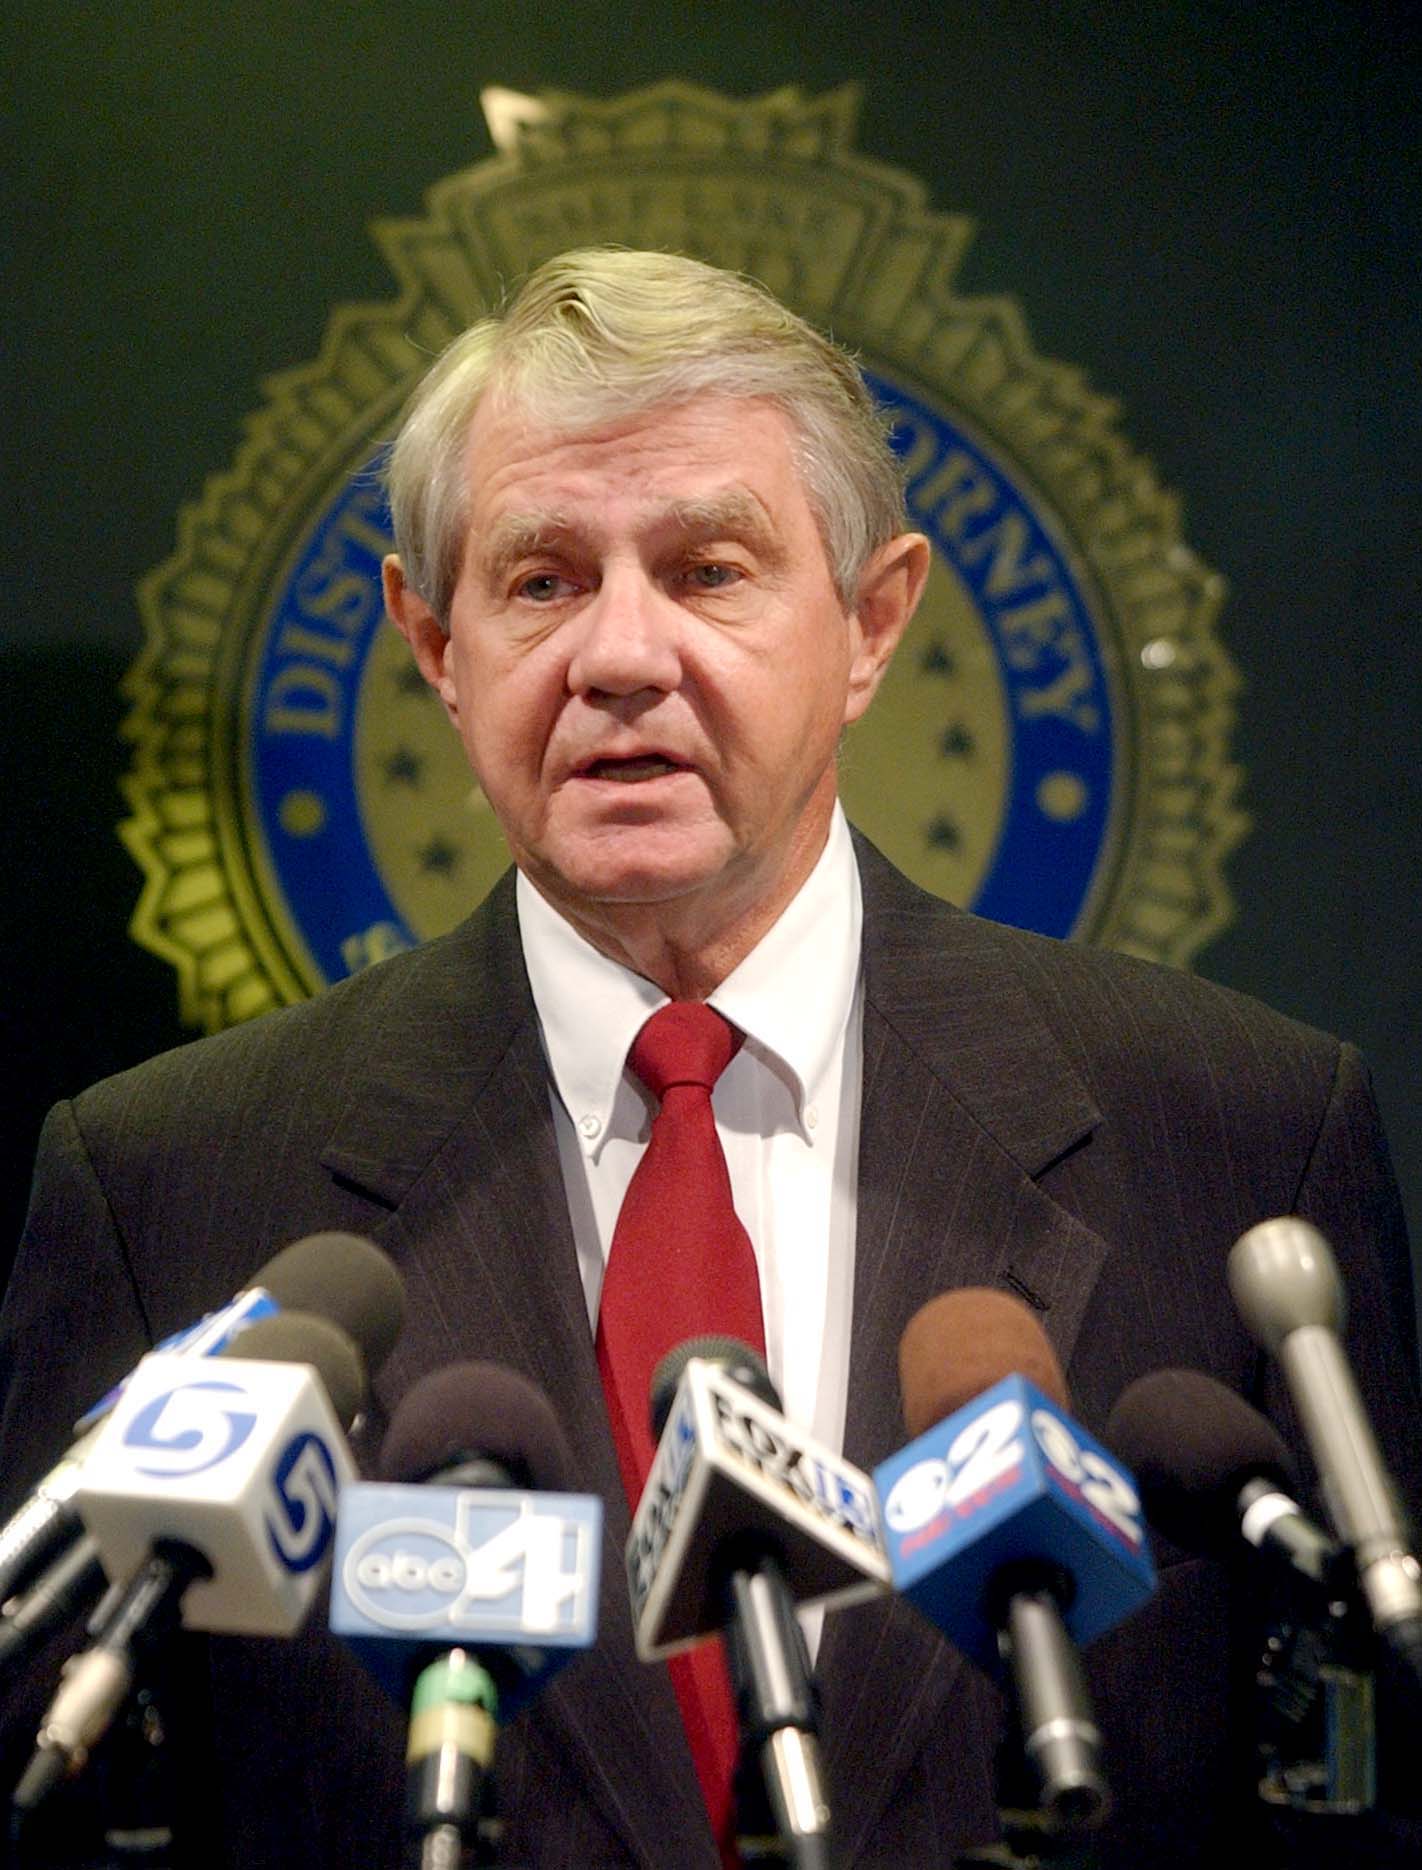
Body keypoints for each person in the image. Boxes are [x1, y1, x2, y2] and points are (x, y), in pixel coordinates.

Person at [2, 248, 1419, 1869]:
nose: (620, 655)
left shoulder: (1238, 1135)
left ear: (872, 622)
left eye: (708, 569)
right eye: (540, 580)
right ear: (431, 641)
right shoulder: (168, 1190)